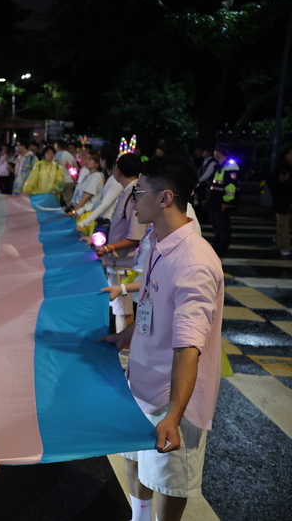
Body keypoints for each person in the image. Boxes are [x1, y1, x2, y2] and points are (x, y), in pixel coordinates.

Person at [101, 156, 223, 521]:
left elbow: (188, 348)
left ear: (165, 198)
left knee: (170, 481)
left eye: (139, 192)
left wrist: (173, 415)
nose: (133, 199)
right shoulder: (160, 241)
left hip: (173, 399)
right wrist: (126, 334)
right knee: (136, 460)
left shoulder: (193, 263)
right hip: (143, 381)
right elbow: (153, 302)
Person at [94, 153, 145, 332]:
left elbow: (135, 236)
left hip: (124, 263)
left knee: (123, 310)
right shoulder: (128, 191)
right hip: (118, 260)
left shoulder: (133, 194)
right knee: (121, 309)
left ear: (118, 171)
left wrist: (109, 247)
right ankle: (123, 347)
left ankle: (123, 352)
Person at [206, 144, 239, 257]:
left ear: (219, 153)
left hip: (221, 202)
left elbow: (231, 187)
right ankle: (217, 243)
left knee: (223, 226)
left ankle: (222, 247)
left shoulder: (230, 167)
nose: (214, 154)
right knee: (216, 224)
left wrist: (227, 202)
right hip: (215, 201)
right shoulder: (220, 166)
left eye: (215, 152)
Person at [267, 147, 292, 256]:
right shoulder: (280, 168)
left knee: (288, 225)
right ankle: (285, 246)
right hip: (283, 201)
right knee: (283, 224)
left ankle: (280, 239)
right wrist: (281, 180)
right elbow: (271, 182)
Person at [66, 152, 104, 217]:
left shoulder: (95, 177)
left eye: (90, 159)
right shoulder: (88, 176)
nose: (87, 161)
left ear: (97, 164)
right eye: (86, 158)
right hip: (80, 211)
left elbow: (85, 198)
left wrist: (74, 212)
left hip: (86, 213)